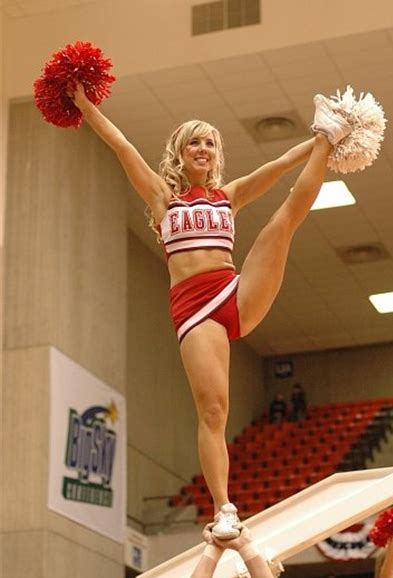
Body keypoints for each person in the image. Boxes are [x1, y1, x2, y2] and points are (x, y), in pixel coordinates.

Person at [70, 82, 354, 539]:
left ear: (215, 154)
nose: (202, 148)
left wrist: (320, 140)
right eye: (194, 142)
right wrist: (85, 106)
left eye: (209, 142)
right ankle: (224, 508)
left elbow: (281, 165)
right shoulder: (163, 198)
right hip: (196, 310)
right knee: (214, 411)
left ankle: (328, 133)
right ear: (179, 154)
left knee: (284, 222)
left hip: (234, 292)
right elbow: (122, 147)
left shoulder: (230, 195)